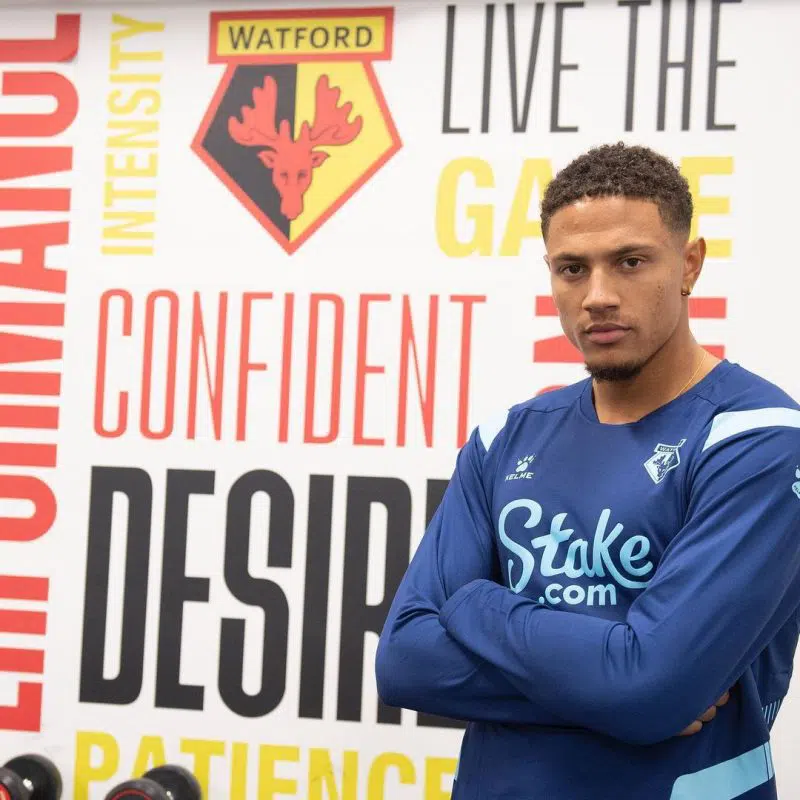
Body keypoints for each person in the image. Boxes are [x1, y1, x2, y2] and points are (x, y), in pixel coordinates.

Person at [375, 142, 800, 799]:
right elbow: (406, 662)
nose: (598, 296)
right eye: (572, 269)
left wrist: (480, 603)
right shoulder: (505, 437)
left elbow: (651, 688)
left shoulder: (758, 439)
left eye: (630, 262)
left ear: (689, 264)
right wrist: (617, 682)